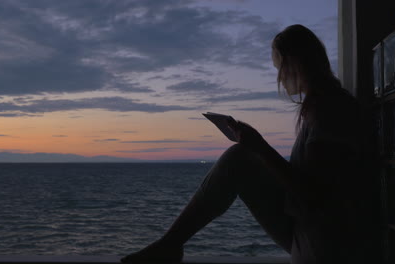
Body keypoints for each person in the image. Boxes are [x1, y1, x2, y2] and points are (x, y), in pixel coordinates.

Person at [121, 24, 380, 264]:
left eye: (279, 67)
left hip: (328, 245)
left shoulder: (329, 110)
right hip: (316, 232)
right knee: (242, 157)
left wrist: (260, 148)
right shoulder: (324, 105)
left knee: (239, 158)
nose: (279, 76)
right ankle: (170, 245)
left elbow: (314, 195)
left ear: (292, 63)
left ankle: (170, 245)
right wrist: (257, 149)